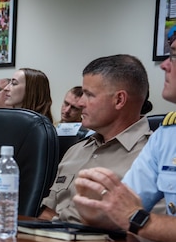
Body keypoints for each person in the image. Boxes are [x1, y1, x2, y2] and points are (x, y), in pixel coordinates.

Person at [72, 39, 176, 242]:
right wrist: (94, 212)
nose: (164, 65)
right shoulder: (166, 136)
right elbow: (119, 211)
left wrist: (138, 220)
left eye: (174, 55)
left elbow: (131, 216)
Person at [38, 54, 151, 223]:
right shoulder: (76, 150)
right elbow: (47, 214)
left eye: (89, 95)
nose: (81, 103)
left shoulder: (151, 154)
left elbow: (149, 232)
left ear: (119, 100)